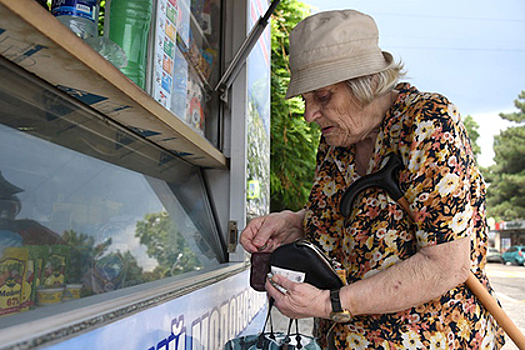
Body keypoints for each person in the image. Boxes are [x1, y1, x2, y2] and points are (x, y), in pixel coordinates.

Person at [240, 9, 505, 350]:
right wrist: (295, 222)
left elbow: (446, 264)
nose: (309, 115)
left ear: (367, 83)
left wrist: (329, 303)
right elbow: (361, 218)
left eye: (322, 97)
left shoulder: (427, 124)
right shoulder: (337, 141)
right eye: (306, 100)